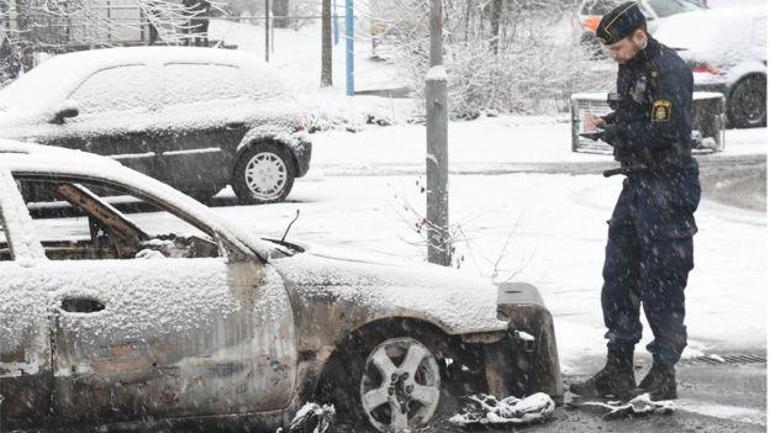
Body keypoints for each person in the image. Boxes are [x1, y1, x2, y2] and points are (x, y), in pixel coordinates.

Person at [569, 1, 700, 401]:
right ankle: (618, 367)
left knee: (663, 280)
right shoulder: (633, 65)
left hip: (669, 185)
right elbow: (635, 114)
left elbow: (665, 130)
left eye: (617, 49)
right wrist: (611, 123)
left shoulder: (670, 70)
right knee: (619, 273)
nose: (613, 57)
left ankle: (663, 372)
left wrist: (616, 134)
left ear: (640, 36)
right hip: (638, 183)